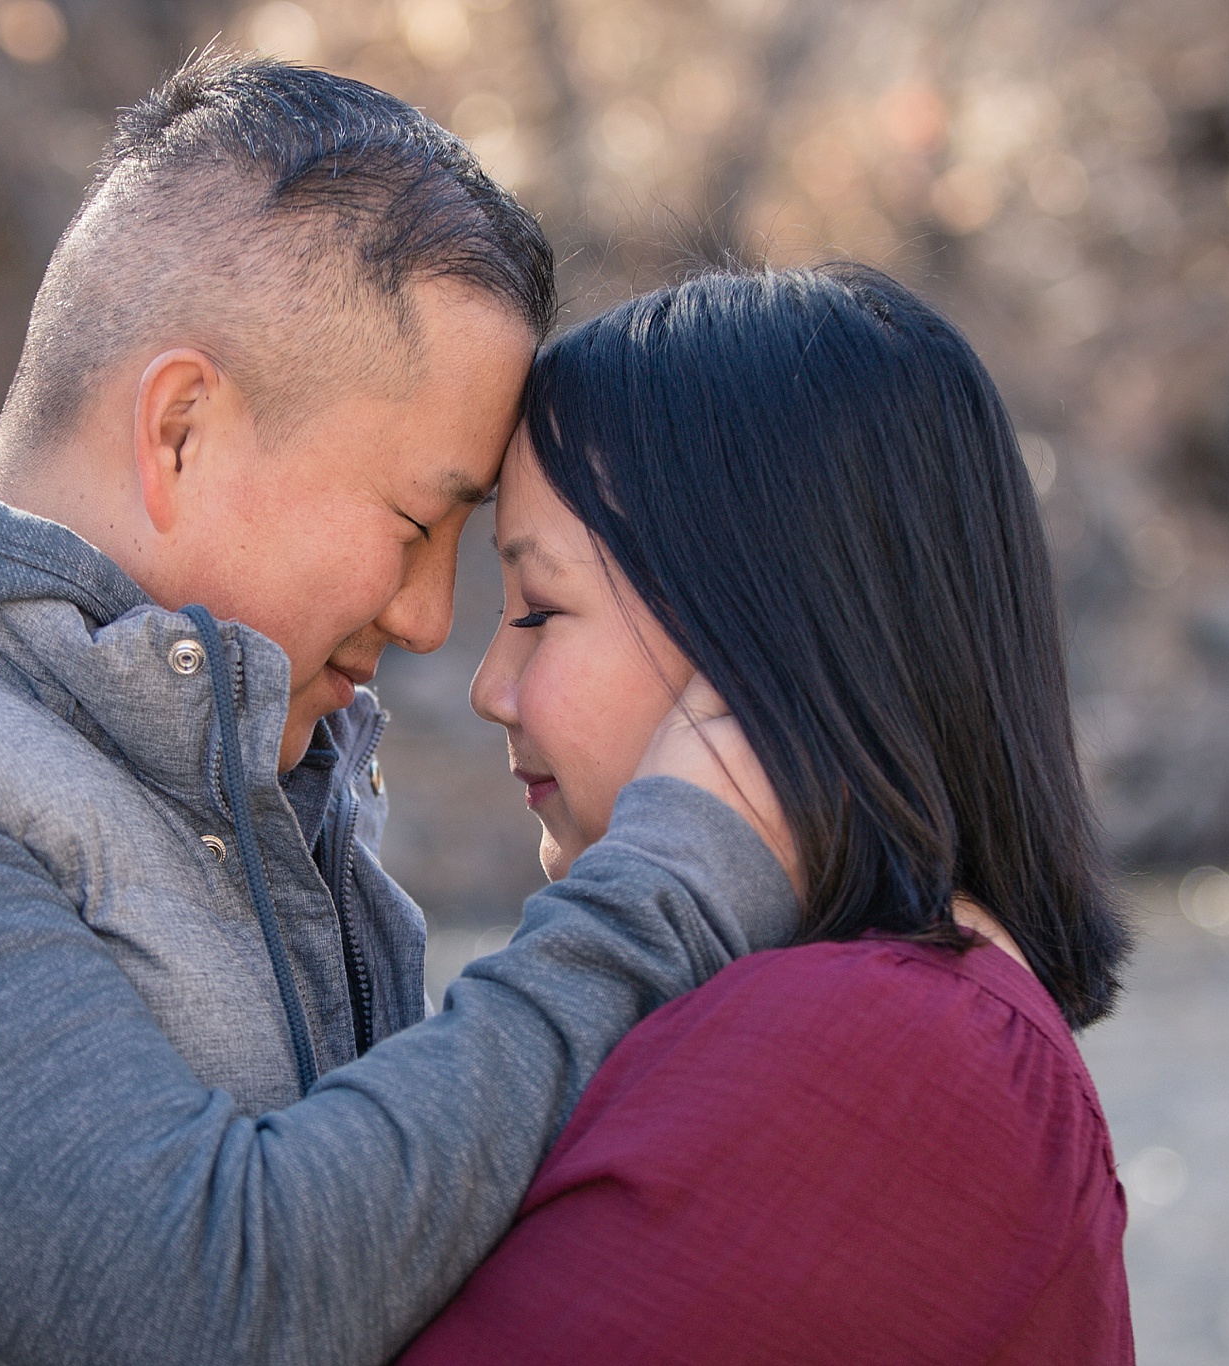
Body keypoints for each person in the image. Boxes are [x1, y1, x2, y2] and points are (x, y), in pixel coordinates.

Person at [0, 55, 802, 1365]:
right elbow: (217, 1297)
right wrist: (674, 882)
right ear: (179, 431)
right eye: (415, 522)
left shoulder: (248, 791)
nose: (425, 619)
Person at [399, 264, 1136, 1364]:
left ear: (757, 643)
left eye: (539, 610)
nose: (487, 687)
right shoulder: (883, 1018)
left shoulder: (885, 1052)